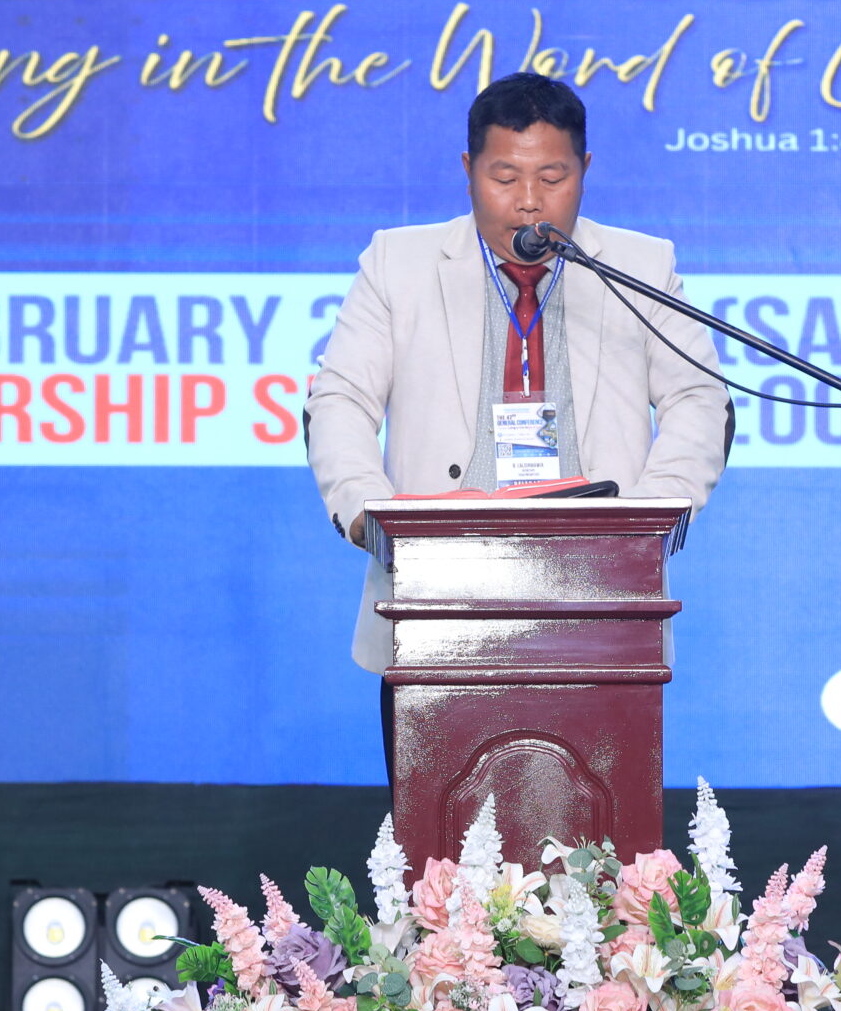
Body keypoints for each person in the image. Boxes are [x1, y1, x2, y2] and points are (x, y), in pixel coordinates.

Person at [306, 72, 732, 674]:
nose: (529, 200)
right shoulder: (397, 263)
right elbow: (340, 400)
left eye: (552, 178)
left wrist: (642, 520)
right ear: (468, 170)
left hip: (601, 587)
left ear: (584, 169)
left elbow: (699, 398)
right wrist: (367, 512)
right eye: (504, 178)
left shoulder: (641, 266)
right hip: (433, 589)